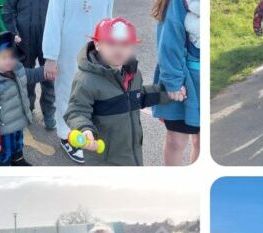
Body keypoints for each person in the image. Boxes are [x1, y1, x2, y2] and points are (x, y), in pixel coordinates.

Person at [64, 17, 171, 166]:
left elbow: (138, 97)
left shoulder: (134, 74)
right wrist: (84, 129)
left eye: (125, 45)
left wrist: (167, 93)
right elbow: (76, 111)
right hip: (104, 158)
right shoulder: (86, 80)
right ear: (97, 44)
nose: (119, 49)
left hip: (131, 153)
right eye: (111, 43)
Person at [42, 0, 111, 162]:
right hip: (69, 48)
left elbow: (108, 19)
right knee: (68, 91)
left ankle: (88, 132)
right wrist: (51, 57)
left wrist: (110, 46)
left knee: (94, 91)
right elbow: (53, 20)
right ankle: (67, 135)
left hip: (96, 47)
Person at [0, 31, 50, 166]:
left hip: (18, 121)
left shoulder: (18, 69)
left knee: (18, 144)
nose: (10, 61)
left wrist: (47, 71)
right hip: (3, 130)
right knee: (4, 152)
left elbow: (32, 75)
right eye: (4, 57)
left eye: (13, 56)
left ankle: (18, 160)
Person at [152, 0, 200, 165]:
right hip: (182, 79)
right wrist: (173, 82)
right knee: (176, 141)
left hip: (203, 81)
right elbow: (168, 39)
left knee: (200, 142)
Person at [2, 0, 54, 131]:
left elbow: (61, 11)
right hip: (23, 39)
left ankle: (49, 112)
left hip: (48, 37)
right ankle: (28, 109)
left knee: (49, 75)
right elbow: (8, 10)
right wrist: (13, 32)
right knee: (25, 76)